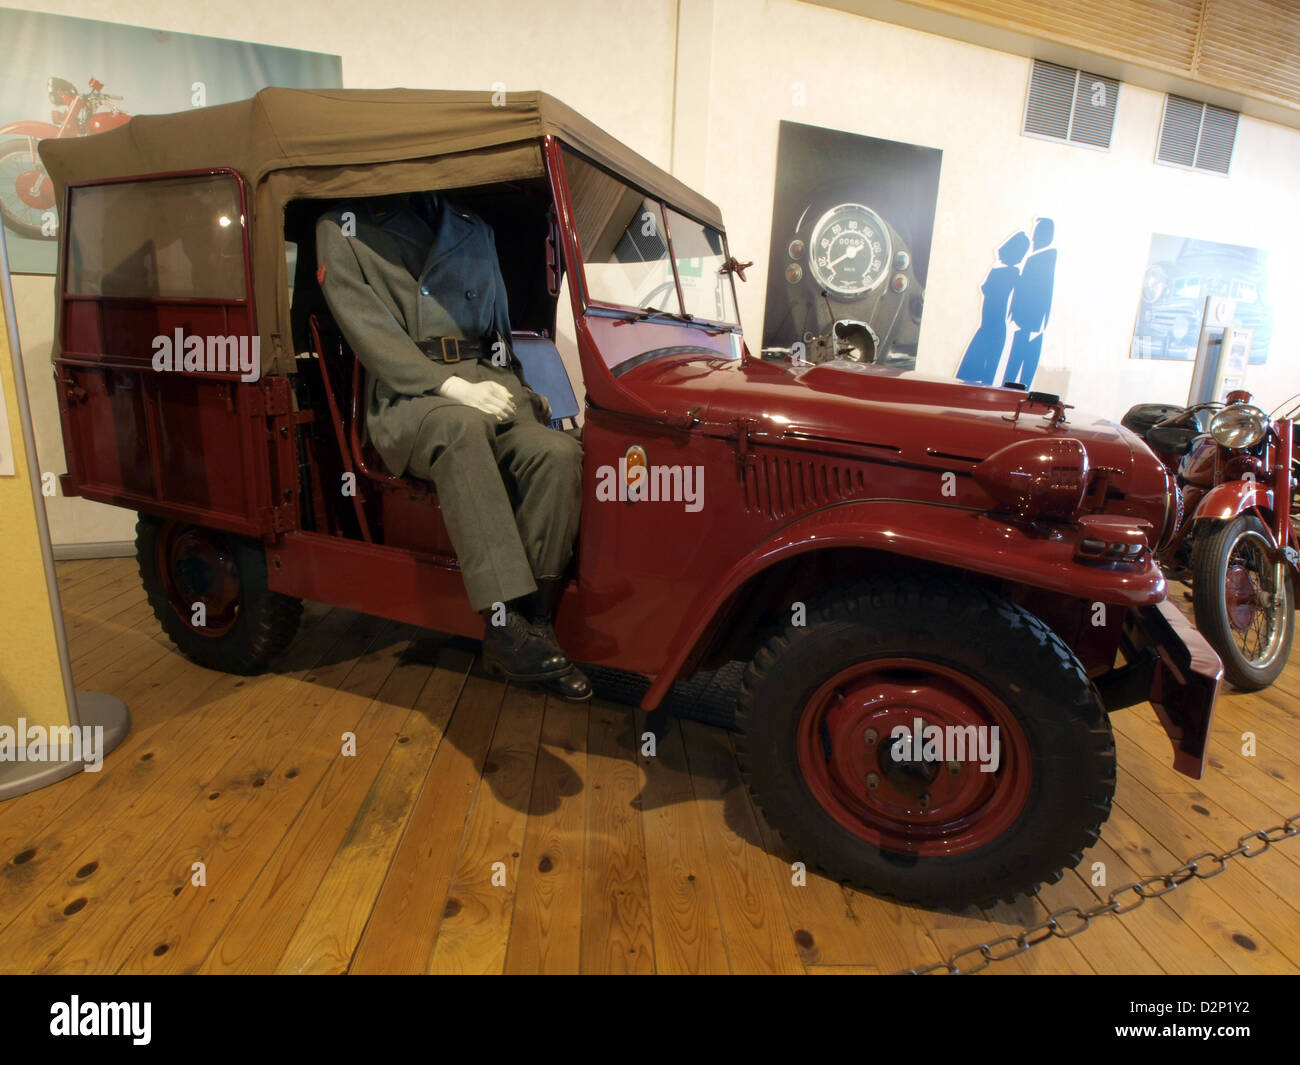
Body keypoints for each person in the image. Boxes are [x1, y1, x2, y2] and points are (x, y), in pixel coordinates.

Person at [315, 191, 590, 701]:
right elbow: (369, 334)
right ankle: (504, 619)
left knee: (557, 453)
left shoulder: (472, 226)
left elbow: (498, 328)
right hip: (409, 395)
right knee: (460, 430)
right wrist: (451, 388)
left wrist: (518, 387)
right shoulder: (344, 227)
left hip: (484, 381)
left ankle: (532, 628)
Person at [955, 230, 1029, 386]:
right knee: (984, 373)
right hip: (992, 327)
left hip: (990, 326)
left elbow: (987, 289)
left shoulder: (1002, 273)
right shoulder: (1012, 274)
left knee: (978, 373)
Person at [1003, 218, 1057, 388]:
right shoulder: (1035, 259)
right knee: (1013, 370)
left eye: (1037, 234)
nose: (1033, 239)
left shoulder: (1046, 259)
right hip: (1023, 325)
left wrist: (1041, 325)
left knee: (1021, 370)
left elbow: (1045, 292)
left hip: (1031, 326)